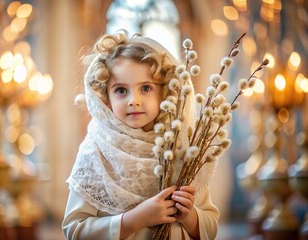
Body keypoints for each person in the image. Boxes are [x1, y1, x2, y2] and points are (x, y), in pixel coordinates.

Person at [62, 30, 219, 240]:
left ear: (164, 92)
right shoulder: (96, 150)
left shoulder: (183, 149)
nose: (133, 100)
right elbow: (74, 229)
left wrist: (190, 217)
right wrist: (136, 218)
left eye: (145, 88)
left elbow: (211, 228)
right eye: (120, 90)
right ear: (106, 97)